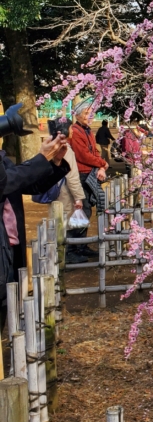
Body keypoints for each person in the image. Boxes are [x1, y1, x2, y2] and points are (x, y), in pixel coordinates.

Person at [0, 132, 70, 326]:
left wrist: (54, 162)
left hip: (11, 251)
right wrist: (42, 158)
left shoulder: (2, 159)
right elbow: (9, 181)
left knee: (8, 313)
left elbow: (28, 183)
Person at [68, 98, 108, 256]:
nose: (90, 116)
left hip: (89, 173)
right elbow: (83, 155)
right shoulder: (76, 131)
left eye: (91, 113)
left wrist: (100, 165)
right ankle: (72, 248)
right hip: (80, 175)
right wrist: (102, 163)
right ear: (77, 115)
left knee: (87, 209)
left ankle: (81, 245)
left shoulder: (88, 130)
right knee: (80, 210)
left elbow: (94, 151)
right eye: (86, 113)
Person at [57, 141, 88, 264]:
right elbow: (72, 176)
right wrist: (78, 197)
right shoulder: (66, 150)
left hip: (56, 190)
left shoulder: (52, 146)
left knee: (60, 220)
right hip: (65, 190)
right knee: (68, 220)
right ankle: (68, 253)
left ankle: (66, 251)